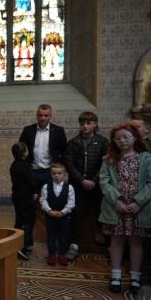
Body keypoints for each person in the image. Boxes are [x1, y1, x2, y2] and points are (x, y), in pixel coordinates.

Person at [99, 122, 151, 294]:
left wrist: (138, 202)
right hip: (117, 208)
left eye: (125, 137)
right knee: (116, 242)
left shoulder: (145, 158)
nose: (122, 141)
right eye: (117, 138)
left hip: (138, 209)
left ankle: (135, 277)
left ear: (134, 138)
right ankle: (116, 276)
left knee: (136, 242)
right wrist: (116, 201)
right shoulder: (109, 160)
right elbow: (104, 182)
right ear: (113, 141)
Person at [18, 104, 68, 241]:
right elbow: (20, 151)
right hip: (32, 173)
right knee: (29, 209)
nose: (43, 118)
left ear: (50, 116)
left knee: (52, 206)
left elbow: (65, 152)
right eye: (40, 115)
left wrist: (62, 172)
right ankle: (27, 241)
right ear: (37, 115)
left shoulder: (58, 131)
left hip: (50, 174)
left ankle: (53, 240)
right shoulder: (28, 130)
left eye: (46, 115)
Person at [64, 111, 109, 260]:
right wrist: (81, 180)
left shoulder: (103, 142)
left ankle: (109, 247)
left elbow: (105, 163)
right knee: (76, 215)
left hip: (97, 185)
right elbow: (69, 163)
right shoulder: (73, 142)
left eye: (88, 123)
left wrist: (94, 180)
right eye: (82, 123)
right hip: (78, 185)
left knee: (102, 213)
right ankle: (73, 246)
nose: (85, 126)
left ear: (95, 124)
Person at [40, 163, 75, 266]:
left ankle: (61, 254)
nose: (56, 176)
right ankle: (51, 254)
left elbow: (71, 202)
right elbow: (43, 200)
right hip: (50, 216)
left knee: (63, 236)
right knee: (51, 235)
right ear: (51, 175)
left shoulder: (69, 187)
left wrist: (63, 212)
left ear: (64, 174)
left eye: (59, 173)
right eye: (54, 173)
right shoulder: (46, 187)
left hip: (64, 217)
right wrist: (49, 211)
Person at [10, 142, 37, 260]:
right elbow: (31, 181)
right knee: (28, 221)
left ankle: (15, 243)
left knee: (19, 220)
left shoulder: (13, 165)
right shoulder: (25, 166)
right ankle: (23, 246)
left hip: (17, 196)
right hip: (26, 198)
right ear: (25, 153)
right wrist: (35, 191)